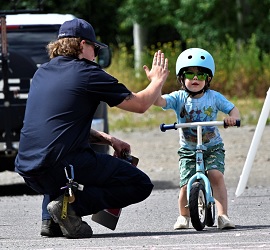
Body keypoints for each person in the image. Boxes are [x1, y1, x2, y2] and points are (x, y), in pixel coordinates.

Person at [14, 18, 169, 239]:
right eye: (94, 48)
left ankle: (50, 221)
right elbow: (140, 104)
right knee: (140, 183)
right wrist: (157, 81)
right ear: (82, 45)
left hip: (29, 169)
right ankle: (70, 209)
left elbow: (58, 128)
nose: (95, 54)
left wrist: (107, 139)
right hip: (60, 166)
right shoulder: (88, 73)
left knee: (58, 159)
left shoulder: (42, 73)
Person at [154, 48, 240, 230]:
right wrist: (156, 84)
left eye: (200, 75)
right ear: (181, 78)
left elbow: (233, 109)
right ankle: (184, 216)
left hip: (212, 146)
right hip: (188, 149)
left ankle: (223, 215)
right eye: (189, 74)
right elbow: (159, 101)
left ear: (208, 79)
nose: (195, 79)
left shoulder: (214, 97)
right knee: (186, 184)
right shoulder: (179, 98)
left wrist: (232, 118)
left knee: (216, 176)